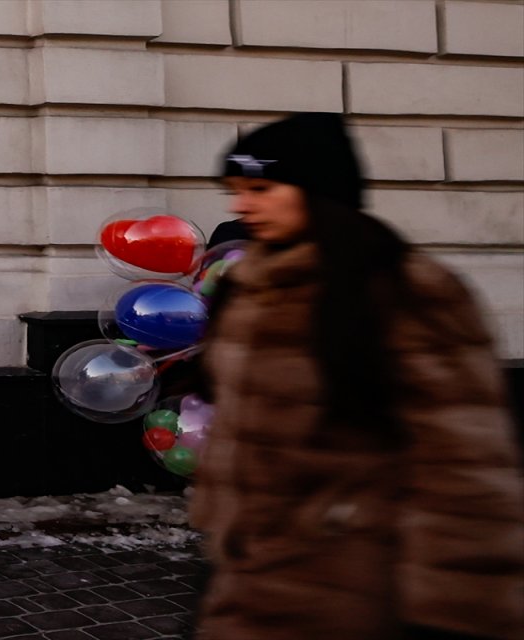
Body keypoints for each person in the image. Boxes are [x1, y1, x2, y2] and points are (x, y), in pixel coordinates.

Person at [191, 112, 524, 640]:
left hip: (357, 592)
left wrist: (453, 612)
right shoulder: (248, 290)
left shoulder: (405, 292)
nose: (240, 206)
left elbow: (464, 472)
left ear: (320, 190)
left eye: (260, 187)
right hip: (250, 585)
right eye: (235, 190)